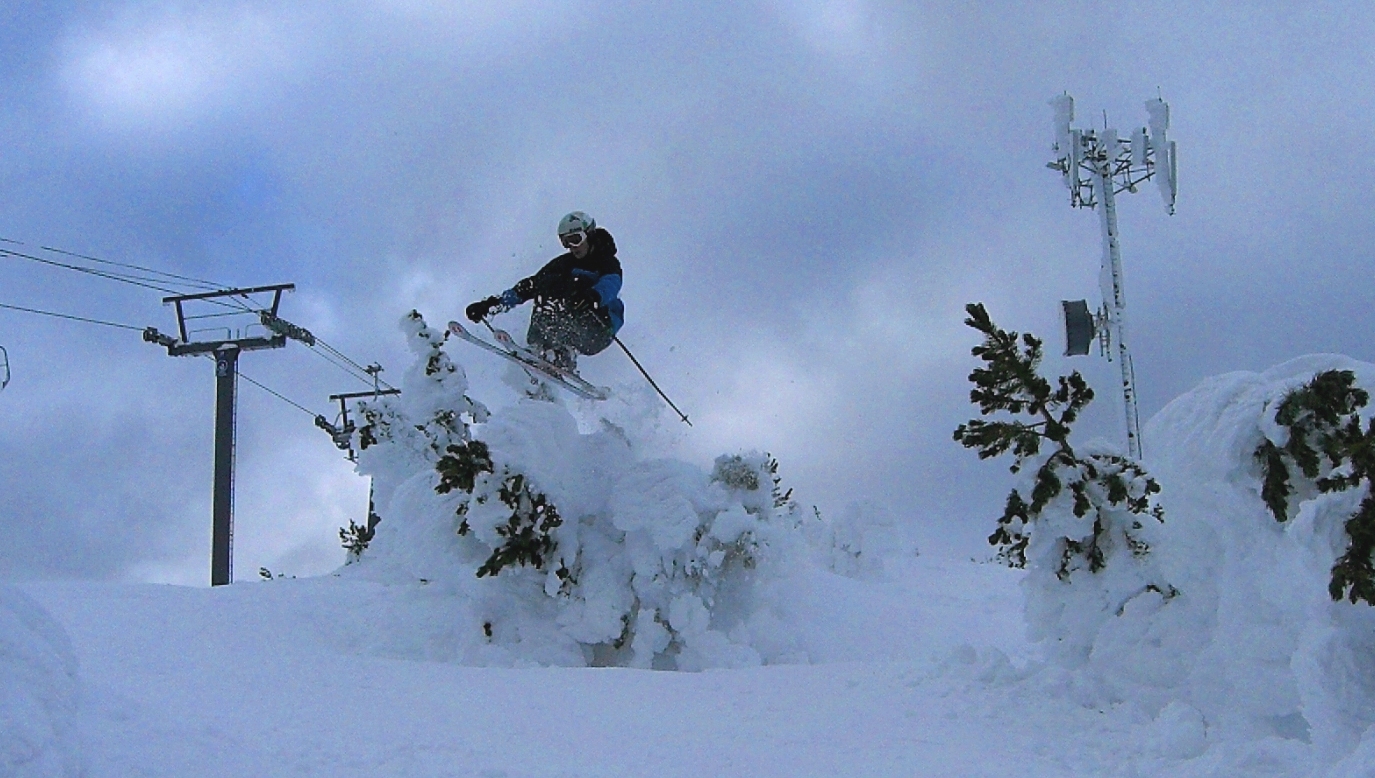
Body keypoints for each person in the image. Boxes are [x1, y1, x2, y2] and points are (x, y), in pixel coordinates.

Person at [465, 211, 624, 371]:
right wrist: (491, 305)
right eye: (566, 242)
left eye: (576, 240)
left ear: (589, 235)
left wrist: (593, 296)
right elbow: (531, 286)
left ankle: (568, 352)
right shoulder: (563, 264)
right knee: (547, 282)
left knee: (574, 285)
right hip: (566, 328)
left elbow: (611, 283)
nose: (572, 247)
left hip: (598, 329)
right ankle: (540, 347)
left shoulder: (607, 262)